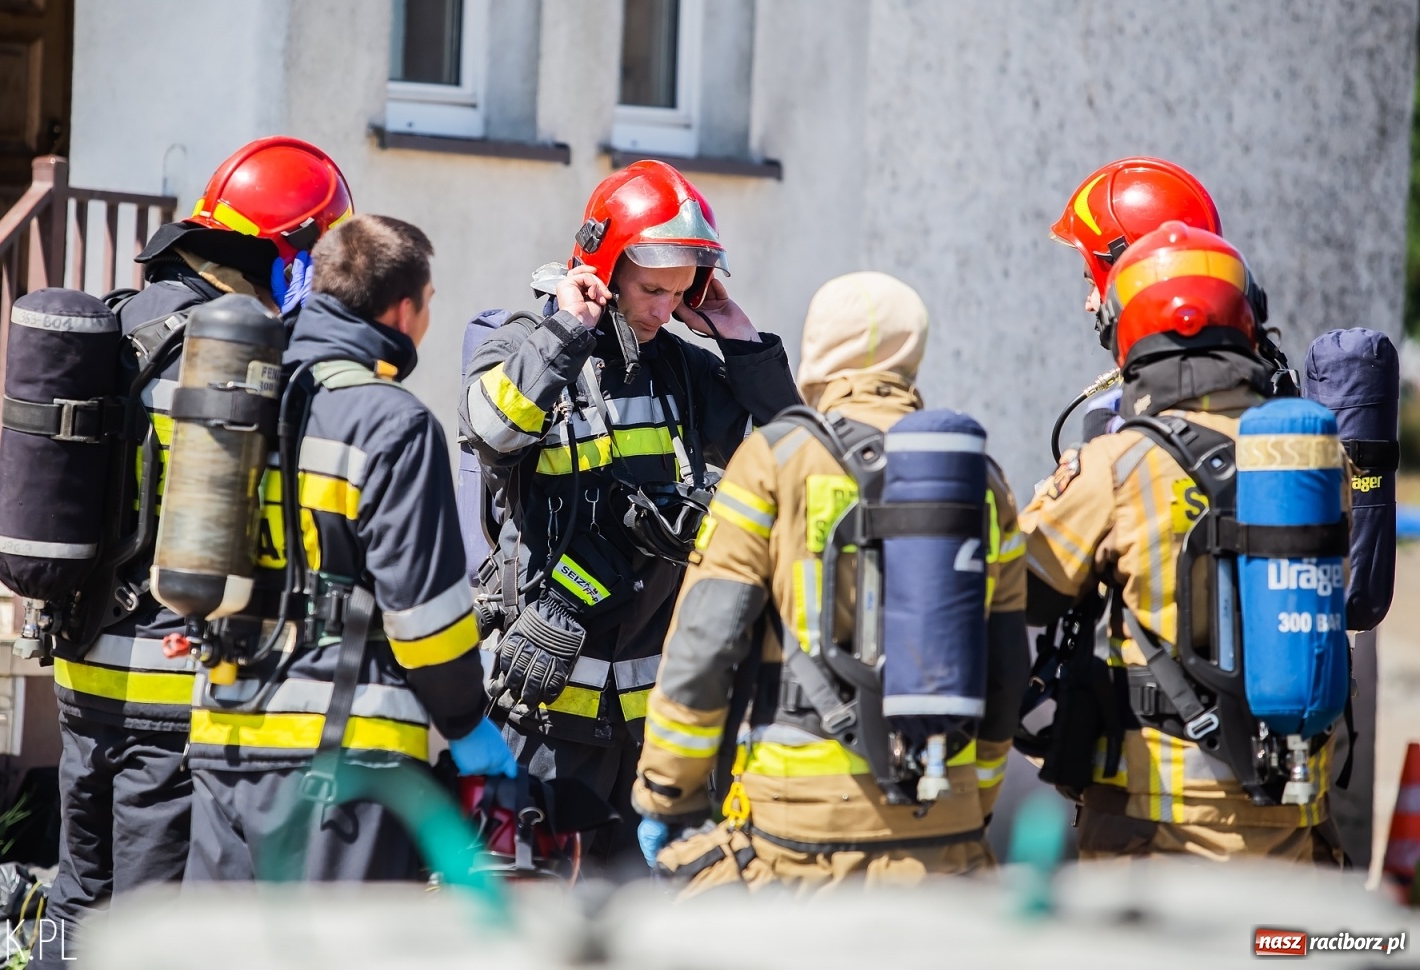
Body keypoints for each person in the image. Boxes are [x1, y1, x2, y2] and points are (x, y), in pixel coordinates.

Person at [35, 137, 352, 967]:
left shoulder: (124, 323)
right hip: (172, 692)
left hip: (81, 670)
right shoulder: (239, 359)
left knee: (75, 900)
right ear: (288, 255)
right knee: (151, 930)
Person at [630, 271, 1030, 894]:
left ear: (817, 350)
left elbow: (707, 639)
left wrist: (666, 791)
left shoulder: (775, 457)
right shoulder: (978, 477)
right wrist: (971, 800)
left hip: (798, 835)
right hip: (944, 829)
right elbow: (1007, 663)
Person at [458, 160, 800, 874]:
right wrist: (565, 333)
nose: (665, 310)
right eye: (651, 289)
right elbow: (491, 429)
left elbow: (797, 452)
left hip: (644, 729)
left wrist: (739, 337)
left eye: (682, 293)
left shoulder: (681, 367)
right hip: (543, 707)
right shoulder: (521, 340)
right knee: (531, 911)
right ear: (602, 269)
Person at [183, 213, 515, 882]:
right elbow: (425, 625)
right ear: (403, 308)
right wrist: (468, 724)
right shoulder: (393, 421)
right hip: (343, 767)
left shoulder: (245, 393)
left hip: (224, 742)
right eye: (428, 305)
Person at [1021, 221, 1344, 863]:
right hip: (1292, 828)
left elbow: (1026, 590)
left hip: (1157, 836)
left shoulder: (1117, 463)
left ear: (1128, 335)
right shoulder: (1310, 460)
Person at [1048, 157, 1294, 446]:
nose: (1089, 305)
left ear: (1132, 274)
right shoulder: (1263, 395)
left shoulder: (1121, 437)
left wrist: (1102, 456)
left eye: (1093, 283)